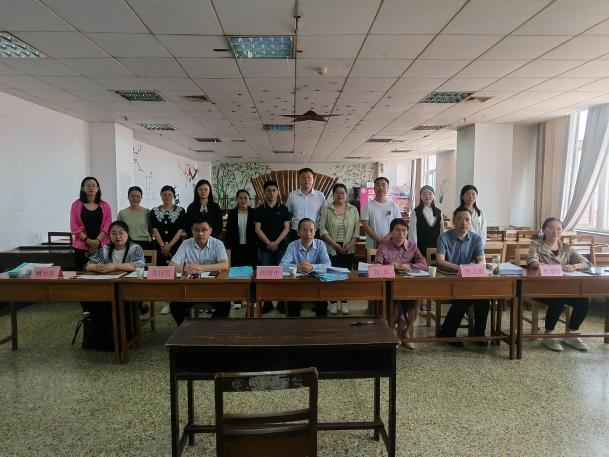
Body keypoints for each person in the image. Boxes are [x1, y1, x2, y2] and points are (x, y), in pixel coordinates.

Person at [527, 217, 591, 352]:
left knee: (583, 301)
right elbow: (533, 263)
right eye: (551, 228)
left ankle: (571, 333)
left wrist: (574, 266)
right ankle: (548, 334)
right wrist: (560, 267)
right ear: (544, 230)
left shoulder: (566, 248)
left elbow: (586, 263)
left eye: (558, 229)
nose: (555, 232)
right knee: (558, 298)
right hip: (540, 288)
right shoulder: (536, 246)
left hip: (563, 288)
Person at [82, 220, 144, 350]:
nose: (118, 236)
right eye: (113, 233)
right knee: (95, 303)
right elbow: (87, 265)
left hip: (130, 290)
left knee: (118, 303)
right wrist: (95, 267)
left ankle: (120, 341)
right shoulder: (105, 248)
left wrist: (115, 266)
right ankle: (100, 342)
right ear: (109, 235)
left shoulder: (135, 248)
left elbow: (139, 264)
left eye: (121, 233)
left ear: (127, 234)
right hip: (108, 288)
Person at [436, 206, 487, 346]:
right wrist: (461, 268)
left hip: (468, 280)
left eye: (467, 219)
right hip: (448, 279)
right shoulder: (444, 237)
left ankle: (479, 334)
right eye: (459, 219)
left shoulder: (476, 238)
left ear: (470, 222)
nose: (463, 222)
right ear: (453, 221)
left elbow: (482, 260)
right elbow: (440, 261)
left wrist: (475, 267)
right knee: (465, 296)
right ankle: (448, 334)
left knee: (484, 298)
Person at [375, 218, 427, 349]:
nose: (401, 233)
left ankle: (405, 333)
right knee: (395, 306)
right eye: (397, 230)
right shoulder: (383, 246)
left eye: (404, 230)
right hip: (389, 286)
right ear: (391, 232)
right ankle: (392, 332)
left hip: (408, 286)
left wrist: (409, 265)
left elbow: (423, 264)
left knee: (415, 305)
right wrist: (390, 266)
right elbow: (376, 267)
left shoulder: (412, 246)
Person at [168, 217, 230, 325]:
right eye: (196, 230)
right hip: (190, 288)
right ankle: (187, 329)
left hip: (213, 288)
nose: (200, 233)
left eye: (204, 230)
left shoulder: (218, 244)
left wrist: (200, 267)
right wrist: (184, 268)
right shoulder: (186, 244)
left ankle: (211, 329)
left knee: (225, 305)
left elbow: (225, 265)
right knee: (175, 305)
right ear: (192, 231)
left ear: (210, 231)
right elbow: (171, 265)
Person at [319, 183, 360, 315]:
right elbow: (322, 230)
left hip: (348, 247)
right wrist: (336, 245)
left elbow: (356, 230)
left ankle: (344, 302)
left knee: (345, 276)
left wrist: (350, 244)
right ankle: (332, 302)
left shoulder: (353, 209)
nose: (340, 195)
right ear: (333, 194)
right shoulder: (326, 209)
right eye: (337, 193)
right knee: (331, 276)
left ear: (346, 195)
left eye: (342, 193)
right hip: (331, 247)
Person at [280, 218, 332, 317]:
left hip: (316, 283)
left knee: (322, 304)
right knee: (293, 306)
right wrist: (297, 267)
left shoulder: (321, 244)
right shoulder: (292, 246)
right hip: (297, 285)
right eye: (304, 230)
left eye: (311, 230)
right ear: (298, 232)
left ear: (315, 231)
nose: (308, 234)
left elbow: (328, 265)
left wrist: (312, 267)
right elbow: (282, 266)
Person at [254, 180, 291, 314]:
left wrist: (276, 242)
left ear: (278, 192)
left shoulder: (283, 209)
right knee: (265, 276)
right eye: (268, 190)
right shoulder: (259, 210)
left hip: (281, 247)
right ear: (264, 192)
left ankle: (281, 301)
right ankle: (267, 302)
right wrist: (269, 243)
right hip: (265, 248)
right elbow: (257, 229)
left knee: (281, 274)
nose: (271, 193)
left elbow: (286, 228)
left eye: (274, 190)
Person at [150, 185, 186, 315]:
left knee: (177, 273)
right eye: (164, 194)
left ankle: (178, 301)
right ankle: (167, 303)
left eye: (169, 194)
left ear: (174, 196)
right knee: (164, 275)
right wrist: (162, 245)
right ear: (160, 196)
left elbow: (180, 230)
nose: (167, 197)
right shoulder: (154, 211)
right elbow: (155, 230)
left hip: (176, 247)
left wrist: (169, 245)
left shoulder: (181, 211)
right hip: (160, 248)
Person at [70, 177, 112, 271]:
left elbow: (108, 225)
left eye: (94, 186)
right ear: (82, 188)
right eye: (88, 186)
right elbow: (74, 226)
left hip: (101, 246)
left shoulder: (105, 205)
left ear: (98, 188)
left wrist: (97, 241)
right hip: (81, 247)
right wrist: (87, 240)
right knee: (82, 273)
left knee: (102, 272)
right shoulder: (76, 205)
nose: (91, 188)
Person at [286, 167, 327, 241]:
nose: (306, 180)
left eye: (309, 177)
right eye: (303, 177)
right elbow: (288, 214)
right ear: (299, 179)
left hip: (314, 232)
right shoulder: (292, 195)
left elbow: (324, 214)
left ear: (313, 179)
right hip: (296, 232)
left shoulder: (320, 195)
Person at [361, 177, 402, 249]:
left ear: (388, 188)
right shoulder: (367, 206)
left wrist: (387, 238)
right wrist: (378, 239)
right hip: (372, 245)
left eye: (383, 185)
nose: (380, 187)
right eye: (378, 185)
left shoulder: (394, 206)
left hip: (390, 243)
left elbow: (397, 224)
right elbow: (365, 225)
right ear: (374, 188)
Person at [408, 185, 444, 258]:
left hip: (436, 248)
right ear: (420, 196)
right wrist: (414, 250)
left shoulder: (439, 212)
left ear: (434, 195)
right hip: (420, 248)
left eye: (430, 194)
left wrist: (442, 247)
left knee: (435, 265)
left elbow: (442, 232)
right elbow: (412, 233)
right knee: (422, 264)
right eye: (424, 194)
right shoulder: (415, 212)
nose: (427, 196)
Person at [225, 189, 258, 267]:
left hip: (251, 248)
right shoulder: (232, 214)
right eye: (240, 198)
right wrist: (228, 249)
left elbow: (258, 231)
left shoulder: (254, 213)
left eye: (245, 198)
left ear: (249, 199)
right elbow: (228, 232)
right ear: (236, 199)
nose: (243, 200)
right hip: (235, 248)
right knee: (236, 270)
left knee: (250, 270)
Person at [117, 186, 151, 250]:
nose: (135, 198)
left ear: (141, 197)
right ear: (128, 197)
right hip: (127, 243)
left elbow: (151, 229)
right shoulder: (122, 213)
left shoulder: (147, 212)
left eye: (138, 196)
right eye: (132, 196)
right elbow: (118, 230)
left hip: (144, 243)